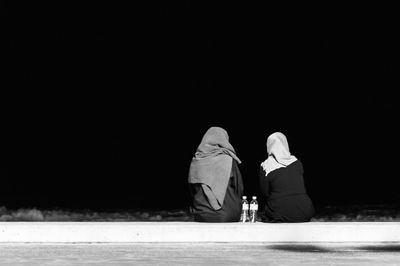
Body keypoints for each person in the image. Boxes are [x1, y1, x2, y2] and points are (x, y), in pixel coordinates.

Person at [188, 127, 244, 222]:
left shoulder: (196, 161)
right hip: (229, 214)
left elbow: (192, 191)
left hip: (202, 214)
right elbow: (239, 189)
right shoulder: (229, 160)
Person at [259, 132, 315, 222]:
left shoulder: (265, 166)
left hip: (279, 212)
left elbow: (265, 192)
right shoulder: (297, 162)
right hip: (305, 211)